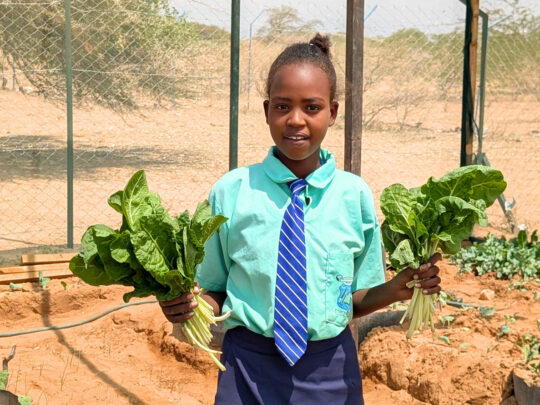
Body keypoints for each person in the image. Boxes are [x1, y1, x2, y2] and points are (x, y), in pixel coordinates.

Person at [159, 33, 441, 405]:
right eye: (282, 106)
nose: (295, 120)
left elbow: (352, 299)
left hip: (330, 370)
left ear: (333, 112)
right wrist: (187, 306)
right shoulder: (231, 192)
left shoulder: (353, 196)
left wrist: (398, 288)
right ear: (266, 110)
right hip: (246, 368)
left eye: (312, 107)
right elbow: (212, 289)